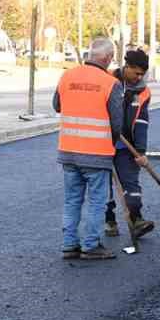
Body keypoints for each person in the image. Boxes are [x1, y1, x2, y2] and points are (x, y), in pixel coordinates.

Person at [54, 37, 126, 260]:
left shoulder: (67, 76)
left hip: (68, 151)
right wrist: (110, 143)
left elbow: (57, 105)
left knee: (72, 200)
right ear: (108, 58)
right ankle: (91, 245)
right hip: (96, 154)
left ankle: (69, 245)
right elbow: (117, 122)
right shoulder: (110, 83)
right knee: (97, 201)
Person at [104, 48, 155, 239]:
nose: (139, 77)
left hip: (127, 146)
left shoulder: (143, 91)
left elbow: (142, 122)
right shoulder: (108, 80)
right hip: (102, 143)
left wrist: (140, 151)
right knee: (104, 186)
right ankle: (109, 220)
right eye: (136, 73)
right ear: (127, 67)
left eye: (143, 73)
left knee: (132, 185)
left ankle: (137, 218)